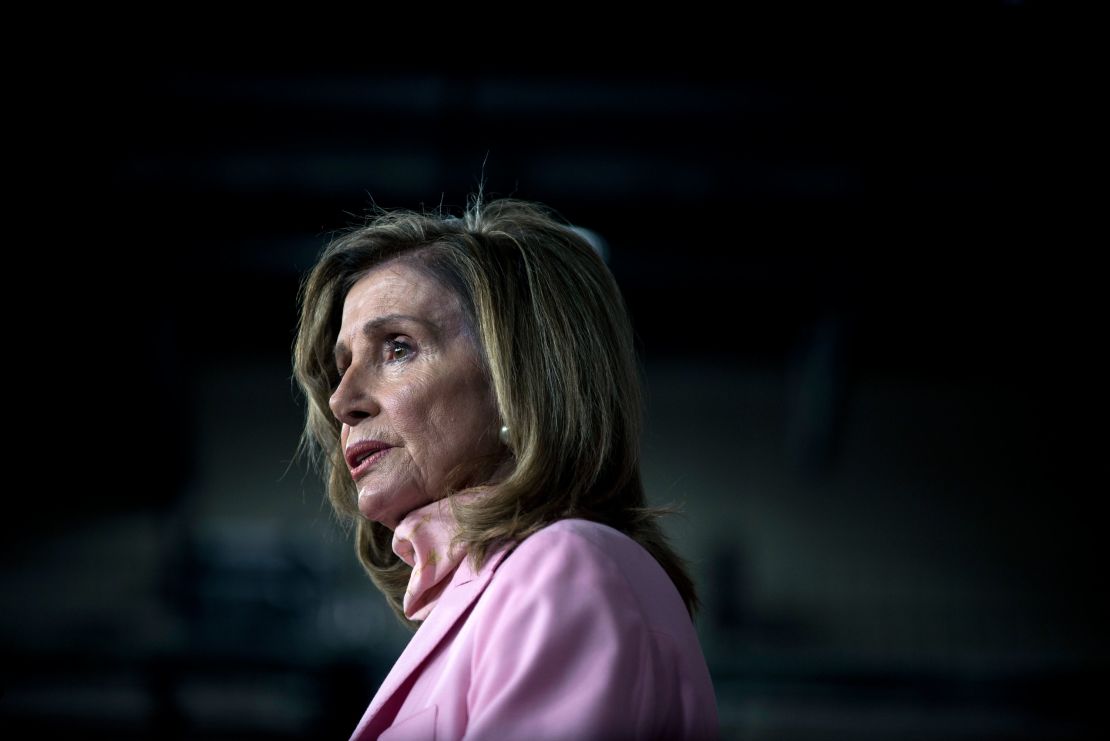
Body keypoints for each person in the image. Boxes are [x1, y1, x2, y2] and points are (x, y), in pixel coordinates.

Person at [292, 195, 719, 740]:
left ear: (518, 383)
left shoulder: (567, 567)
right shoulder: (501, 590)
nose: (341, 400)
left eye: (397, 348)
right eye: (342, 367)